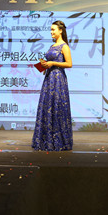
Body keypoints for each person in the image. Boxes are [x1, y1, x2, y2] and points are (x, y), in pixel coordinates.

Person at [32, 20, 73, 151]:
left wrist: (52, 63)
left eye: (53, 29)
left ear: (60, 30)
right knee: (47, 106)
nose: (51, 32)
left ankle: (58, 140)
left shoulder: (64, 46)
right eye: (50, 29)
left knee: (57, 106)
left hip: (58, 79)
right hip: (49, 78)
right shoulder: (52, 46)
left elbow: (69, 64)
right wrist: (44, 65)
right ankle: (46, 139)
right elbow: (51, 62)